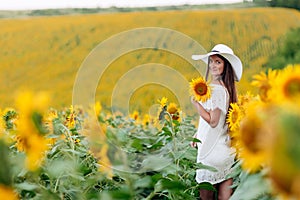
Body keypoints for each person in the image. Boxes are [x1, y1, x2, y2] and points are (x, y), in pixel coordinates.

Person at [190, 44, 243, 200]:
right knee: (225, 198)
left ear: (226, 65)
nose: (213, 65)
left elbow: (213, 122)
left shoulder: (215, 89)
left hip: (210, 154)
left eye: (218, 62)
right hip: (225, 151)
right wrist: (198, 133)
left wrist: (196, 105)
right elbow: (220, 122)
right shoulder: (228, 88)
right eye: (211, 61)